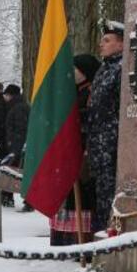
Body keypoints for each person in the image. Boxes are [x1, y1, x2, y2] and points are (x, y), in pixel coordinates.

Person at [50, 54, 100, 245]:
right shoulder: (73, 92)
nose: (71, 73)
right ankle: (66, 240)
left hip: (84, 151)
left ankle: (80, 241)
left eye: (75, 69)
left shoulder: (91, 92)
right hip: (69, 151)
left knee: (83, 198)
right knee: (68, 198)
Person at [88, 20, 124, 233]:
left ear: (121, 44)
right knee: (101, 197)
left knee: (109, 197)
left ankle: (108, 238)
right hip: (98, 146)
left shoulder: (121, 69)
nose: (101, 44)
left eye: (107, 40)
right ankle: (100, 239)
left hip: (111, 145)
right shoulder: (104, 68)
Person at [2, 84, 30, 210]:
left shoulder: (18, 108)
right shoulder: (17, 106)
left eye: (6, 95)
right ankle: (9, 198)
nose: (5, 98)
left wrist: (15, 149)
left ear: (10, 95)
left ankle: (28, 202)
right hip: (17, 145)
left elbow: (20, 129)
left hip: (18, 147)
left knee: (19, 173)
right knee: (17, 173)